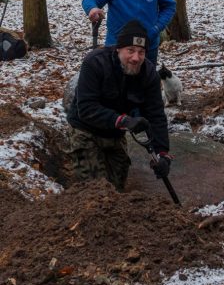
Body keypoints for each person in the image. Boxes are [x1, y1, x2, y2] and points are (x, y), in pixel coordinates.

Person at [66, 19, 171, 190]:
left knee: (118, 188)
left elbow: (156, 115)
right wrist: (123, 121)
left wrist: (163, 154)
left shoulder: (149, 74)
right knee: (95, 191)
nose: (136, 58)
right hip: (85, 130)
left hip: (115, 134)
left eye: (141, 52)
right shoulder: (95, 63)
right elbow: (86, 108)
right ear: (118, 49)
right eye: (130, 50)